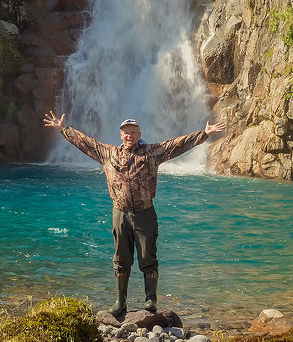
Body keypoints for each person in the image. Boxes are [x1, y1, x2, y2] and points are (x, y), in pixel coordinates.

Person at [43, 110, 228, 317]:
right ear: (120, 135)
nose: (129, 135)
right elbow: (85, 142)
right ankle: (120, 302)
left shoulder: (152, 153)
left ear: (139, 134)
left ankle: (150, 300)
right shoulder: (107, 153)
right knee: (121, 258)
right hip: (120, 212)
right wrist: (63, 129)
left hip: (145, 212)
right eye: (126, 132)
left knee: (148, 256)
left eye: (133, 132)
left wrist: (205, 133)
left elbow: (177, 145)